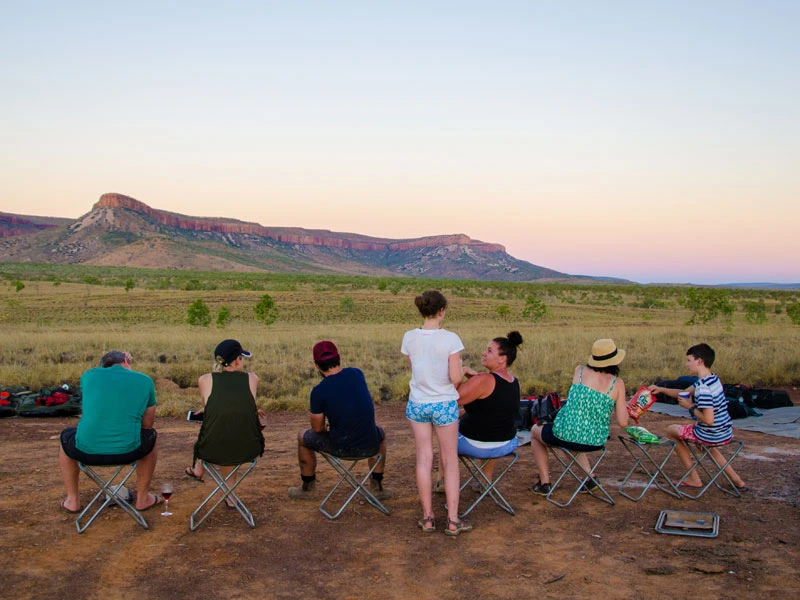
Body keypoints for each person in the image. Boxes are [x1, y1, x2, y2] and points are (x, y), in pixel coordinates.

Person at [401, 290, 470, 536]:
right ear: (442, 311)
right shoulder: (450, 339)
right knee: (449, 461)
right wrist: (462, 370)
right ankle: (452, 520)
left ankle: (428, 518)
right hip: (444, 404)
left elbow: (415, 369)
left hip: (418, 403)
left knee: (423, 458)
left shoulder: (409, 337)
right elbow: (454, 378)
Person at [288, 340, 392, 501]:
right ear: (339, 357)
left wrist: (328, 426)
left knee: (303, 437)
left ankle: (308, 488)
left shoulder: (319, 391)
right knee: (380, 434)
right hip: (370, 444)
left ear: (316, 365)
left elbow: (317, 429)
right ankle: (377, 486)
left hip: (341, 446)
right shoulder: (357, 374)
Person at [58, 351, 161, 513]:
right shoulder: (144, 380)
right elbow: (147, 425)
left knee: (66, 436)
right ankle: (143, 498)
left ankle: (72, 500)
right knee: (151, 437)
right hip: (129, 451)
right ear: (126, 362)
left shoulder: (89, 376)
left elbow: (102, 379)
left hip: (85, 451)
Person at [530, 339, 628, 495]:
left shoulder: (579, 371)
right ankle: (590, 478)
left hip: (567, 434)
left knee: (536, 432)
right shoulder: (618, 384)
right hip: (595, 440)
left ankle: (545, 482)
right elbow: (623, 421)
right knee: (577, 437)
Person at [649, 343, 747, 490]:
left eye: (689, 360)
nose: (687, 364)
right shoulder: (712, 379)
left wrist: (690, 407)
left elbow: (708, 419)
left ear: (699, 361)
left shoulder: (704, 389)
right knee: (703, 446)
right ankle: (737, 480)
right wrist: (661, 389)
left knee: (671, 430)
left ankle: (694, 478)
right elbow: (683, 393)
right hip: (725, 431)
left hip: (711, 434)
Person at [186, 340, 265, 496]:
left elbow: (210, 407)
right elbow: (246, 404)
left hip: (211, 449)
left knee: (220, 432)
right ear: (237, 360)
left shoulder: (204, 380)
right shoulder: (252, 378)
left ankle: (198, 468)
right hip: (248, 448)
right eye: (241, 358)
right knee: (232, 431)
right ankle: (230, 497)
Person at [456, 331, 523, 482]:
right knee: (493, 421)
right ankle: (485, 480)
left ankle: (443, 480)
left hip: (475, 444)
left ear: (502, 359)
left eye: (489, 351)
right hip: (507, 443)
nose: (483, 353)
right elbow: (493, 404)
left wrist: (461, 373)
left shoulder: (484, 380)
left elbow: (453, 397)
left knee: (446, 431)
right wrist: (475, 378)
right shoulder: (515, 382)